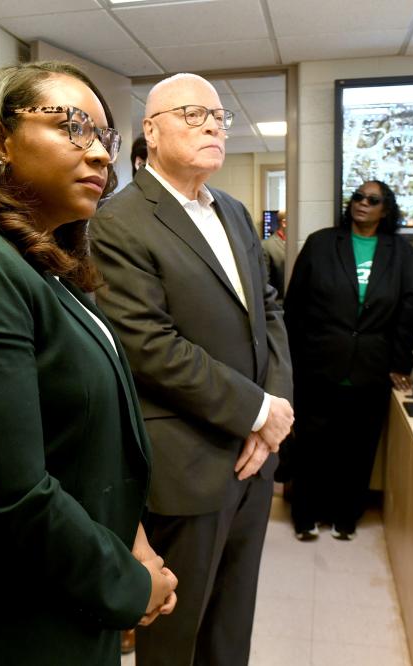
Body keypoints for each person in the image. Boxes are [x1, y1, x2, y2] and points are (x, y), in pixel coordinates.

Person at [0, 62, 178, 665]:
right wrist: (129, 584)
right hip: (8, 628)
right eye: (75, 127)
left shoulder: (44, 268)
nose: (100, 156)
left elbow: (83, 442)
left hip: (64, 593)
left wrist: (134, 539)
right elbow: (13, 494)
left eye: (106, 138)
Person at [90, 73, 294, 666]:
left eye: (218, 116)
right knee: (178, 638)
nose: (212, 125)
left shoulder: (232, 210)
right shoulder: (119, 221)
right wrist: (258, 410)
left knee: (232, 627)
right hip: (190, 463)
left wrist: (274, 413)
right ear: (150, 132)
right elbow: (149, 345)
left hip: (255, 458)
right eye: (192, 114)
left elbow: (270, 312)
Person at [284, 180, 413, 541]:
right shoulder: (322, 243)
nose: (362, 203)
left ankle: (346, 516)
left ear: (385, 210)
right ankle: (305, 515)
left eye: (372, 200)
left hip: (372, 368)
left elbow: (409, 312)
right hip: (318, 364)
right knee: (312, 446)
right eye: (358, 197)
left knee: (358, 449)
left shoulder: (402, 254)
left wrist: (400, 364)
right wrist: (291, 360)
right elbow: (294, 306)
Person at [262, 209, 287, 298]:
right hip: (279, 304)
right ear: (284, 223)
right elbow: (265, 282)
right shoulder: (266, 246)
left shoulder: (296, 244)